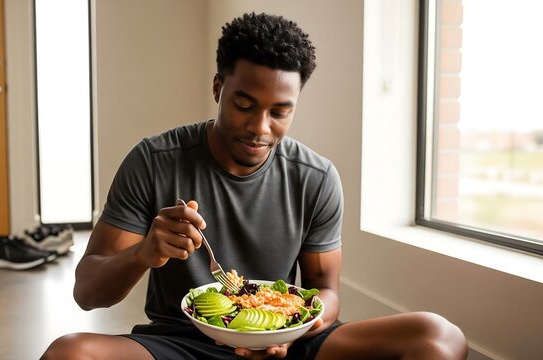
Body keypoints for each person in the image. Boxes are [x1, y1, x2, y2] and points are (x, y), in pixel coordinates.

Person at [41, 12, 468, 360]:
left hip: (290, 340)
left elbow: (327, 290)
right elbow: (87, 293)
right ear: (218, 89)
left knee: (437, 337)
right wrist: (145, 252)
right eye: (244, 105)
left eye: (280, 112)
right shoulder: (153, 161)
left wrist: (294, 331)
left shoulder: (315, 177)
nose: (260, 128)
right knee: (70, 354)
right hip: (184, 343)